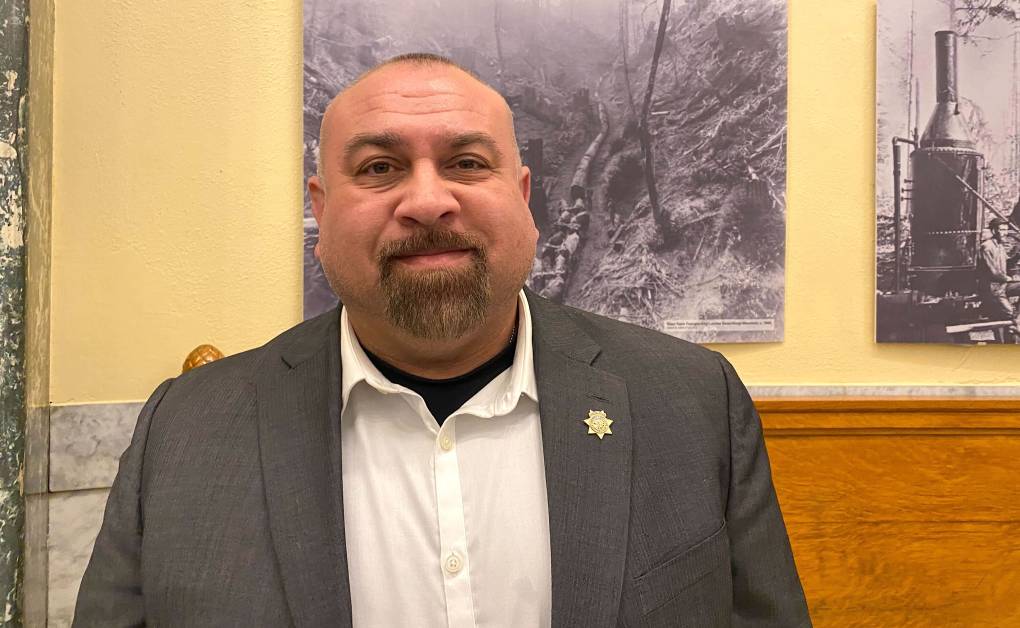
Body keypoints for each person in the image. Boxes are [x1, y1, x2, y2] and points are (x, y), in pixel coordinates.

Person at [74, 53, 810, 627]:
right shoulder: (185, 430)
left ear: (523, 200)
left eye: (465, 162)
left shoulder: (690, 404)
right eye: (380, 168)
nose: (428, 201)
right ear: (321, 213)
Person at [980, 217, 1020, 326]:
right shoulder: (987, 247)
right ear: (994, 231)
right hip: (992, 289)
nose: (1005, 233)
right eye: (1002, 230)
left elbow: (1007, 264)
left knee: (1015, 316)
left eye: (1006, 230)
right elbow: (992, 271)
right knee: (1011, 314)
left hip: (1003, 285)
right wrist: (1008, 278)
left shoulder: (1000, 246)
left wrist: (1017, 255)